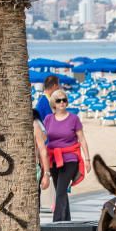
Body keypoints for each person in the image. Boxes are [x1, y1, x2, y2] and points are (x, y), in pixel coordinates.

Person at [43, 89, 90, 222]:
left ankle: (56, 223)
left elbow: (82, 139)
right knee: (60, 191)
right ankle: (66, 222)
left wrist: (87, 159)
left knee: (61, 191)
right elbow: (42, 138)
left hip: (70, 159)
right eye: (58, 100)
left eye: (64, 100)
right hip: (53, 159)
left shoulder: (74, 119)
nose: (62, 102)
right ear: (54, 104)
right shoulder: (48, 119)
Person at [32, 108, 51, 196]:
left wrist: (46, 174)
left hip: (34, 168)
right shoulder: (36, 123)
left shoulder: (35, 124)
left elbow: (43, 150)